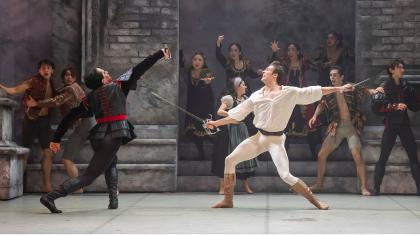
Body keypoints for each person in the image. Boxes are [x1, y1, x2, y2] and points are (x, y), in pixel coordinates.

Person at [207, 61, 355, 210]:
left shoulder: (289, 92)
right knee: (230, 160)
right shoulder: (256, 95)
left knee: (285, 175)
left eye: (267, 70)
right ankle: (228, 200)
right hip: (259, 138)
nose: (263, 72)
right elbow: (236, 115)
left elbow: (314, 91)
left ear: (275, 75)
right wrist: (215, 123)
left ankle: (316, 202)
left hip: (276, 141)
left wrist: (339, 88)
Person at [39, 47, 171, 213]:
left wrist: (56, 138)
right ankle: (50, 197)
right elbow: (141, 67)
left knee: (111, 162)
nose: (108, 72)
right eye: (104, 72)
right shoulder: (119, 86)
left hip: (99, 136)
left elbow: (70, 117)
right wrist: (160, 53)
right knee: (88, 177)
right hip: (113, 135)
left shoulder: (89, 98)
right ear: (102, 80)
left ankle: (113, 200)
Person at [308, 66, 382, 196]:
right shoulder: (329, 91)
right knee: (321, 155)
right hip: (336, 127)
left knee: (358, 157)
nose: (333, 77)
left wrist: (375, 90)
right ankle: (319, 184)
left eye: (335, 75)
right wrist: (314, 116)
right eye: (331, 75)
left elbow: (365, 90)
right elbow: (321, 104)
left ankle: (363, 187)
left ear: (341, 77)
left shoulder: (350, 87)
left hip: (351, 127)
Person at [0, 59, 56, 192]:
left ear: (52, 71)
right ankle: (16, 184)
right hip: (31, 120)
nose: (46, 70)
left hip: (45, 121)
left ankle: (47, 186)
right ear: (39, 70)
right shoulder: (32, 81)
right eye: (43, 68)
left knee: (48, 153)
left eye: (48, 68)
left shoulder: (53, 85)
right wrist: (1, 86)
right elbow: (13, 90)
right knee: (25, 153)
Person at [372, 59, 420, 196]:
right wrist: (394, 106)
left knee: (413, 157)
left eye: (403, 67)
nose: (402, 70)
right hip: (391, 125)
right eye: (399, 67)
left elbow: (415, 105)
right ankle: (376, 188)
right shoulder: (385, 86)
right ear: (392, 70)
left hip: (404, 125)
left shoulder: (406, 85)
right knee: (383, 157)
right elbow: (377, 108)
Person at [270, 41, 321, 159]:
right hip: (288, 97)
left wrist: (324, 62)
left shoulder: (303, 63)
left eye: (293, 50)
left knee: (308, 125)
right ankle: (284, 156)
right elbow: (273, 65)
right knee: (285, 126)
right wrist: (274, 52)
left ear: (298, 52)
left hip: (301, 96)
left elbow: (317, 66)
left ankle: (313, 154)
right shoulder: (285, 63)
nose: (290, 52)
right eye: (289, 50)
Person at [211, 77, 258, 194]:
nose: (246, 86)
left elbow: (253, 112)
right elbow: (219, 111)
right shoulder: (229, 99)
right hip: (228, 130)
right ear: (237, 87)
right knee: (223, 156)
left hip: (242, 130)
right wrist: (233, 114)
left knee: (244, 156)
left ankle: (245, 185)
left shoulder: (246, 99)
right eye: (243, 84)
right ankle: (222, 187)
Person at [184, 52, 215, 160]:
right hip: (192, 106)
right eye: (195, 59)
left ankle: (218, 153)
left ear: (203, 62)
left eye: (200, 60)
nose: (197, 62)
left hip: (204, 106)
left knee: (209, 132)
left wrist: (207, 85)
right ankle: (201, 153)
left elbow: (210, 95)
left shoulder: (206, 73)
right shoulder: (188, 72)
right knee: (194, 132)